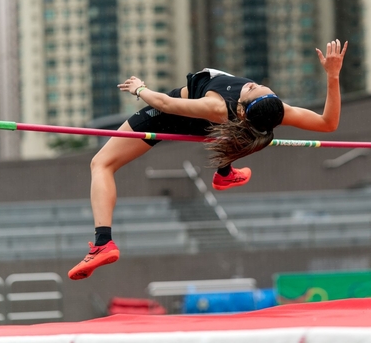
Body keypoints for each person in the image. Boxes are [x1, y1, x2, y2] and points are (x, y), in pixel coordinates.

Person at [68, 39, 348, 280]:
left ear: (242, 109)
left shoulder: (218, 105)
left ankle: (102, 243)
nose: (253, 84)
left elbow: (165, 104)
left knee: (101, 164)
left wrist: (140, 88)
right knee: (254, 133)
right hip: (214, 124)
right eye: (262, 87)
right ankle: (224, 173)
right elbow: (328, 123)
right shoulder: (273, 109)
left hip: (172, 115)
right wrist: (333, 76)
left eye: (252, 90)